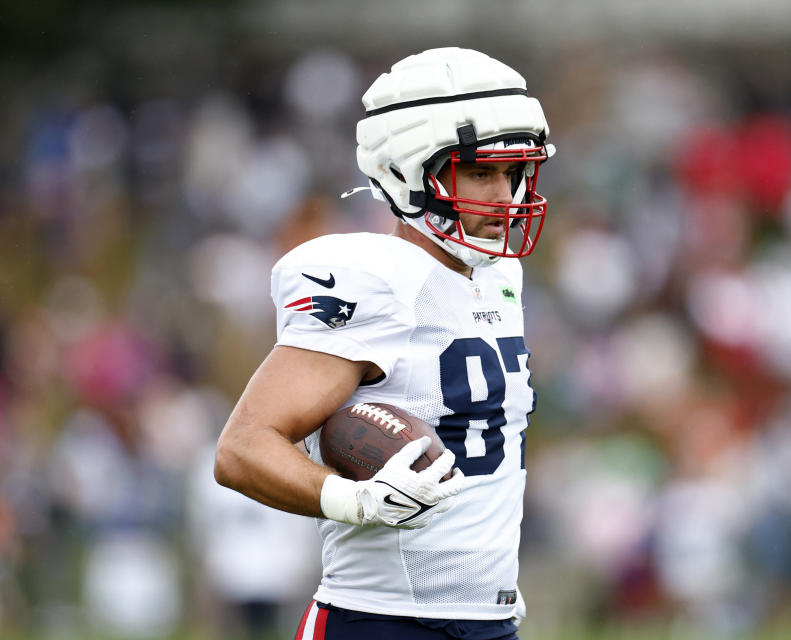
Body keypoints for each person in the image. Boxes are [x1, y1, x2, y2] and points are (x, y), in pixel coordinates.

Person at [214, 46, 555, 640]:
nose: (505, 195)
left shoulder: (500, 276)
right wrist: (356, 500)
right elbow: (242, 448)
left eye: (513, 171)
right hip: (378, 621)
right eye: (480, 171)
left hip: (491, 620)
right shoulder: (371, 277)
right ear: (407, 170)